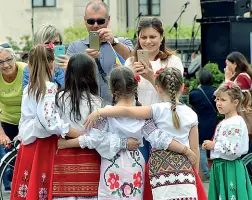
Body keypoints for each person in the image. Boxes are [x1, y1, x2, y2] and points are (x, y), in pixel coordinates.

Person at [85, 67, 206, 200]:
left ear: (112, 89)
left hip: (119, 168)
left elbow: (95, 139)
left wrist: (100, 112)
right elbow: (160, 137)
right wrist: (186, 153)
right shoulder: (148, 117)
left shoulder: (149, 111)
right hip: (142, 167)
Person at [52, 54, 140, 200]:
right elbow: (98, 138)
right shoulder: (98, 104)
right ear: (91, 75)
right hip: (90, 161)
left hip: (62, 158)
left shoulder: (57, 99)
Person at [10, 44, 81, 200]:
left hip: (29, 144)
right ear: (51, 63)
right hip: (43, 145)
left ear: (30, 65)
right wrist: (68, 130)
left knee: (29, 187)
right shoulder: (48, 87)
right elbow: (48, 120)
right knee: (43, 185)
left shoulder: (30, 88)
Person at [66, 0, 133, 102]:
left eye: (100, 21)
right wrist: (84, 59)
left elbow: (132, 60)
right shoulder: (74, 47)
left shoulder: (122, 42)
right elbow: (68, 79)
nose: (96, 25)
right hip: (87, 108)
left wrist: (114, 42)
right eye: (91, 21)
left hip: (117, 107)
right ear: (85, 21)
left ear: (108, 19)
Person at [203, 81, 252, 199]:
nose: (218, 103)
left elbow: (233, 150)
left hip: (229, 168)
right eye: (217, 99)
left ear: (235, 102)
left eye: (223, 100)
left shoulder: (236, 122)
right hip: (221, 167)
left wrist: (214, 145)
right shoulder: (226, 121)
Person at [125, 17, 184, 106]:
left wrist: (151, 77)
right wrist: (131, 78)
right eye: (143, 37)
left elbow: (174, 98)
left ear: (161, 37)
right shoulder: (130, 62)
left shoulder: (173, 61)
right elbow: (123, 97)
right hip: (137, 116)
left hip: (163, 116)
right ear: (138, 38)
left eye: (152, 37)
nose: (148, 41)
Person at [0, 43, 26, 192]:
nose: (5, 65)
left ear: (15, 58)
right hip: (7, 120)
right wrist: (1, 134)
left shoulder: (26, 70)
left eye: (8, 59)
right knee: (9, 155)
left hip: (27, 119)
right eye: (0, 62)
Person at [189, 69, 218, 182]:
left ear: (199, 79)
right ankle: (216, 172)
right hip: (213, 123)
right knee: (214, 146)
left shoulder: (194, 93)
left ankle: (205, 173)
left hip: (200, 123)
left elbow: (191, 104)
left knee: (201, 147)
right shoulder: (216, 92)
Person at [22, 24, 68, 89]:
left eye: (56, 43)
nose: (53, 47)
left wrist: (70, 70)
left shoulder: (66, 66)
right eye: (47, 43)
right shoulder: (30, 68)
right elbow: (28, 93)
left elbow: (70, 91)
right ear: (38, 45)